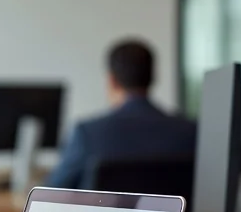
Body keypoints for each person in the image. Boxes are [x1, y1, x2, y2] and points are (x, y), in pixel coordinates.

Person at [46, 38, 197, 189]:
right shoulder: (191, 131)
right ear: (152, 78)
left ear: (112, 80)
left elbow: (53, 190)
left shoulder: (87, 133)